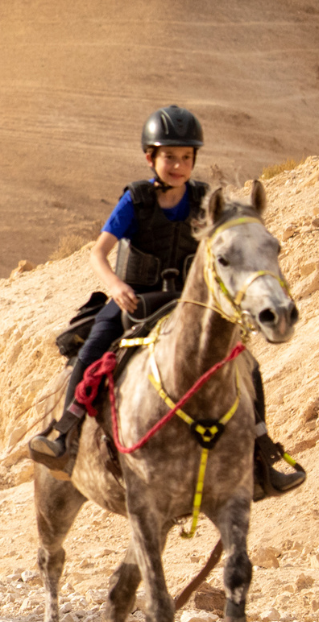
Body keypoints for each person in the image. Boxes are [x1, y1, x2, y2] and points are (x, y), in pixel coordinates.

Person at [28, 105, 305, 498]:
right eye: (169, 156)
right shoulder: (135, 201)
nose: (178, 165)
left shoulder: (206, 200)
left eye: (186, 157)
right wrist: (114, 288)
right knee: (93, 347)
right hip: (136, 300)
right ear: (150, 158)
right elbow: (98, 252)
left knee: (246, 362)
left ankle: (263, 454)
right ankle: (64, 432)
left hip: (185, 302)